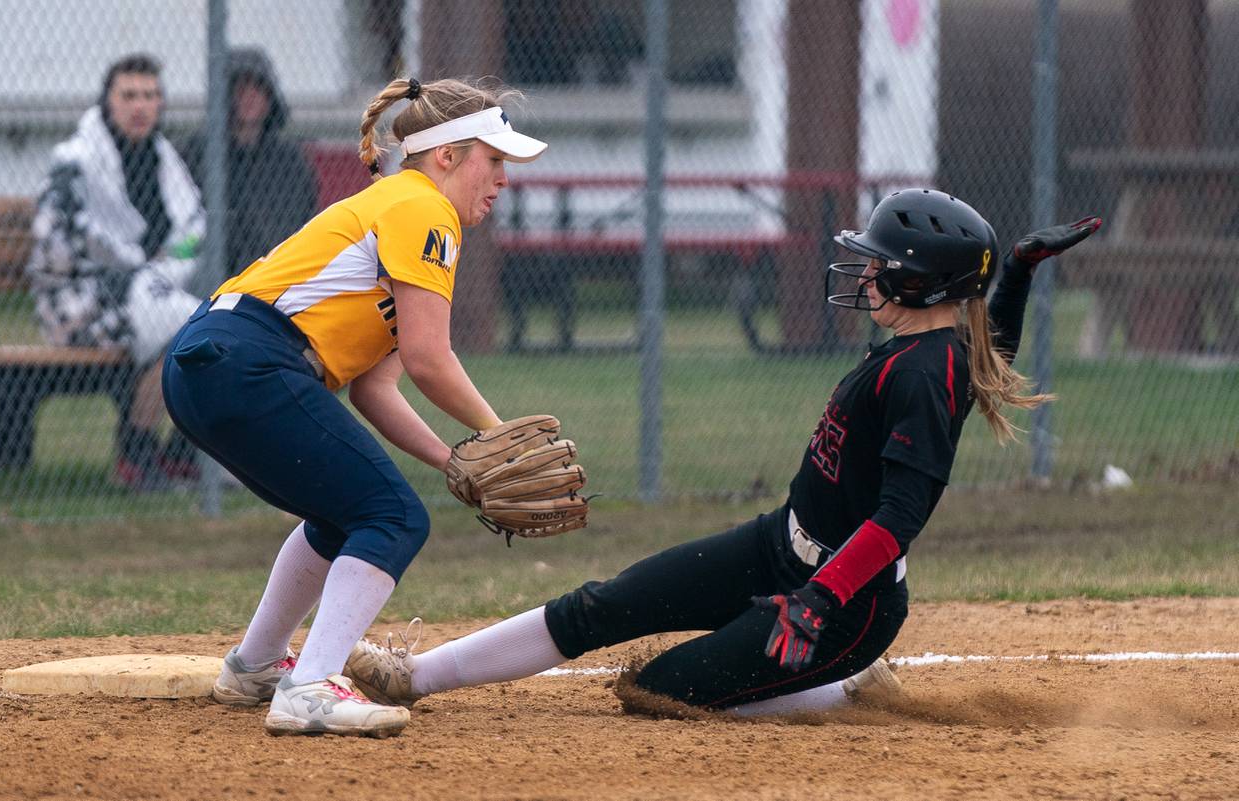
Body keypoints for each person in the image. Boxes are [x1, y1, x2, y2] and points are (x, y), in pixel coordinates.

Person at [341, 192, 1102, 717]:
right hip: (781, 541)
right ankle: (415, 676)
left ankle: (850, 688)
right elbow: (986, 346)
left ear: (922, 279)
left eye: (880, 260)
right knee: (604, 603)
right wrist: (1020, 273)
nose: (866, 271)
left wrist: (818, 600)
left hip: (847, 602)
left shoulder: (922, 373)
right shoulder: (926, 349)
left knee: (658, 689)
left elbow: (899, 518)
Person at [161, 77, 548, 737]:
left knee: (346, 511)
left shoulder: (399, 204)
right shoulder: (425, 209)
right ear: (447, 156)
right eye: (495, 158)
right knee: (392, 516)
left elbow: (376, 387)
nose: (504, 179)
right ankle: (308, 687)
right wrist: (498, 434)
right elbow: (430, 357)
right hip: (251, 359)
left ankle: (255, 665)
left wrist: (455, 461)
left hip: (208, 361)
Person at [27, 53, 205, 491]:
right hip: (77, 302)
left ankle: (177, 453)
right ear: (108, 101)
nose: (140, 106)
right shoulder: (76, 161)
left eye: (149, 95)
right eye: (129, 95)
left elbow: (192, 229)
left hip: (146, 291)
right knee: (186, 326)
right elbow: (61, 248)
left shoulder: (164, 160)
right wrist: (138, 274)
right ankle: (137, 452)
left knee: (203, 326)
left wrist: (161, 271)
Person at [184, 47, 318, 279]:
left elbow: (304, 221)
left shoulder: (288, 160)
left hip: (277, 273)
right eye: (240, 89)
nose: (250, 98)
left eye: (258, 89)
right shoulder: (196, 152)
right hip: (213, 274)